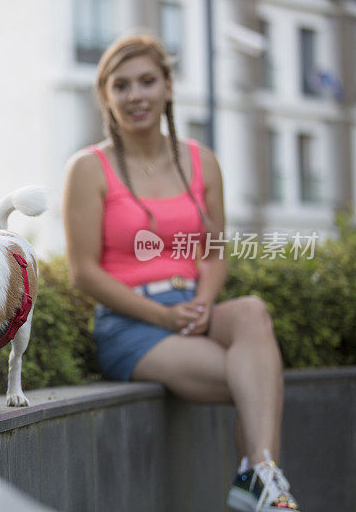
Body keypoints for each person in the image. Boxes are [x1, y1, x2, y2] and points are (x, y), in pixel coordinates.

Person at [62, 33, 300, 512]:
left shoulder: (201, 161)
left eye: (148, 81)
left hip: (194, 310)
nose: (136, 96)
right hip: (132, 325)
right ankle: (263, 483)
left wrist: (205, 302)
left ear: (168, 87)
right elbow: (84, 272)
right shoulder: (89, 168)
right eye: (122, 85)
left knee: (252, 310)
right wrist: (160, 315)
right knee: (257, 380)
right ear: (107, 96)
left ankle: (259, 478)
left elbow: (213, 250)